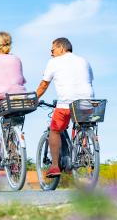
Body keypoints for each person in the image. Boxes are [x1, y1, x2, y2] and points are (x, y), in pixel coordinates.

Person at [36, 37, 94, 178]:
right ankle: (84, 148)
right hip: (88, 102)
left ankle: (55, 166)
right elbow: (89, 80)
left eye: (52, 50)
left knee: (55, 131)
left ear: (61, 48)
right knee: (82, 124)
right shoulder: (84, 61)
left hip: (66, 104)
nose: (51, 53)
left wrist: (34, 98)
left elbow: (44, 85)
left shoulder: (54, 62)